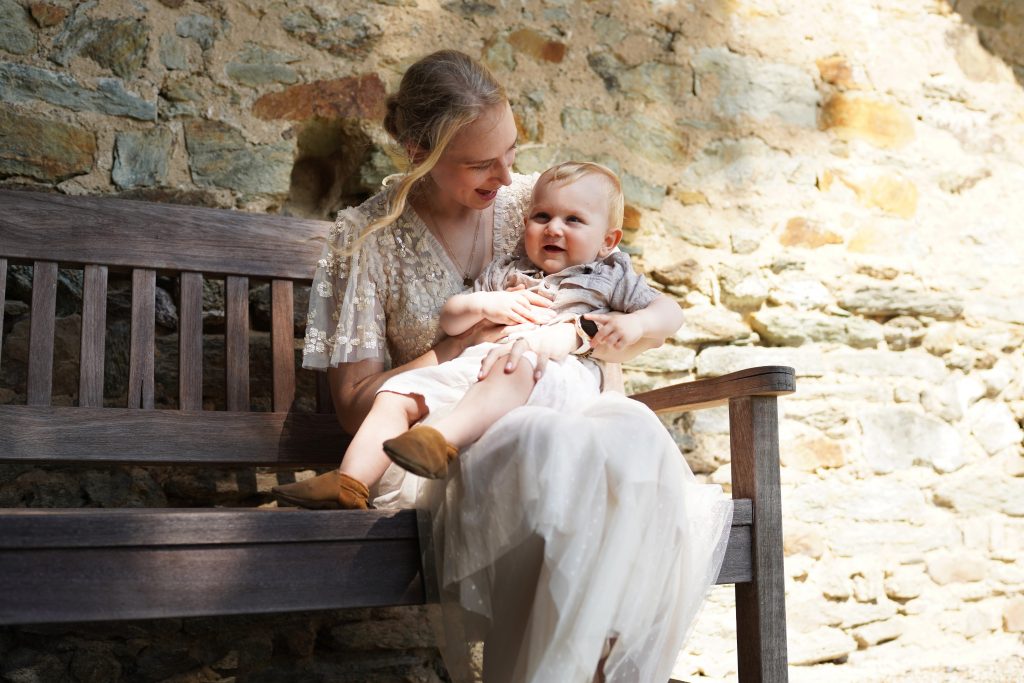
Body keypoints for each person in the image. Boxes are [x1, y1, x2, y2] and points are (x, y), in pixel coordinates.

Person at [272, 49, 733, 683]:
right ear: (417, 152)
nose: (507, 175)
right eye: (481, 163)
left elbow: (623, 306)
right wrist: (468, 342)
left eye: (512, 151)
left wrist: (605, 348)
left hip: (563, 411)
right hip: (436, 447)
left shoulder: (533, 204)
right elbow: (356, 404)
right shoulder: (369, 239)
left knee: (623, 438)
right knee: (548, 446)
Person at [374, 160, 685, 481]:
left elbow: (671, 313)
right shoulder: (508, 271)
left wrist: (639, 323)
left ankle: (441, 441)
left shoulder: (609, 274)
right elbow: (452, 324)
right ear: (526, 225)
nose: (553, 228)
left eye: (574, 220)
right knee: (399, 388)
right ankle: (350, 482)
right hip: (485, 369)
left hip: (557, 371)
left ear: (607, 241)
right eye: (542, 217)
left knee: (518, 363)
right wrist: (485, 303)